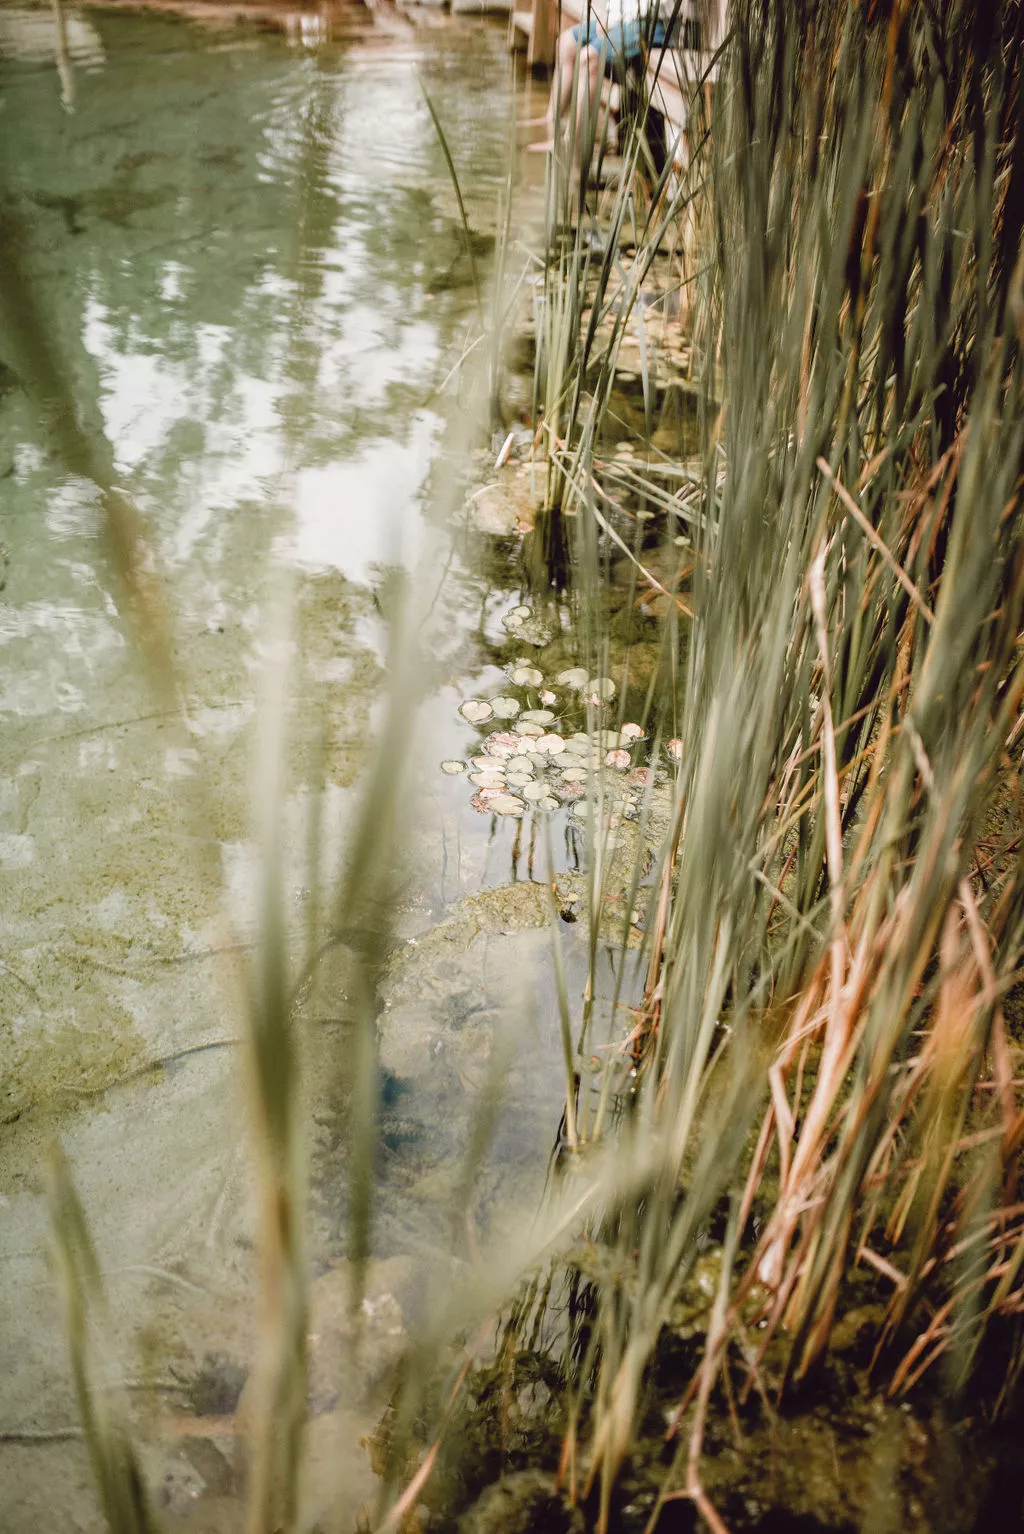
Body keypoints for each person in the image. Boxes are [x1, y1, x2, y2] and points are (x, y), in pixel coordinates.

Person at [523, 0, 676, 152]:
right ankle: (552, 118)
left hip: (655, 21)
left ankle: (571, 142)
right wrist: (609, 15)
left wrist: (615, 20)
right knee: (566, 43)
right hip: (623, 17)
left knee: (589, 59)